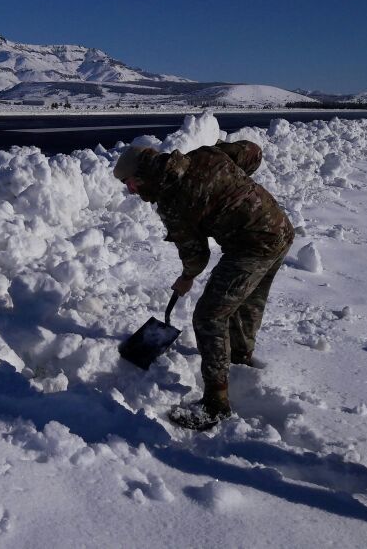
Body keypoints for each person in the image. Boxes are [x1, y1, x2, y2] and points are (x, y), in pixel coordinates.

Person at [114, 140, 293, 430]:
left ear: (142, 176)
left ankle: (215, 404)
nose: (131, 191)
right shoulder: (204, 155)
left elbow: (197, 256)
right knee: (247, 301)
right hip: (279, 228)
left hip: (251, 246)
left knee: (210, 316)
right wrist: (233, 185)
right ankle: (239, 359)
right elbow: (252, 152)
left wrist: (186, 278)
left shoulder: (172, 200)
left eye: (130, 184)